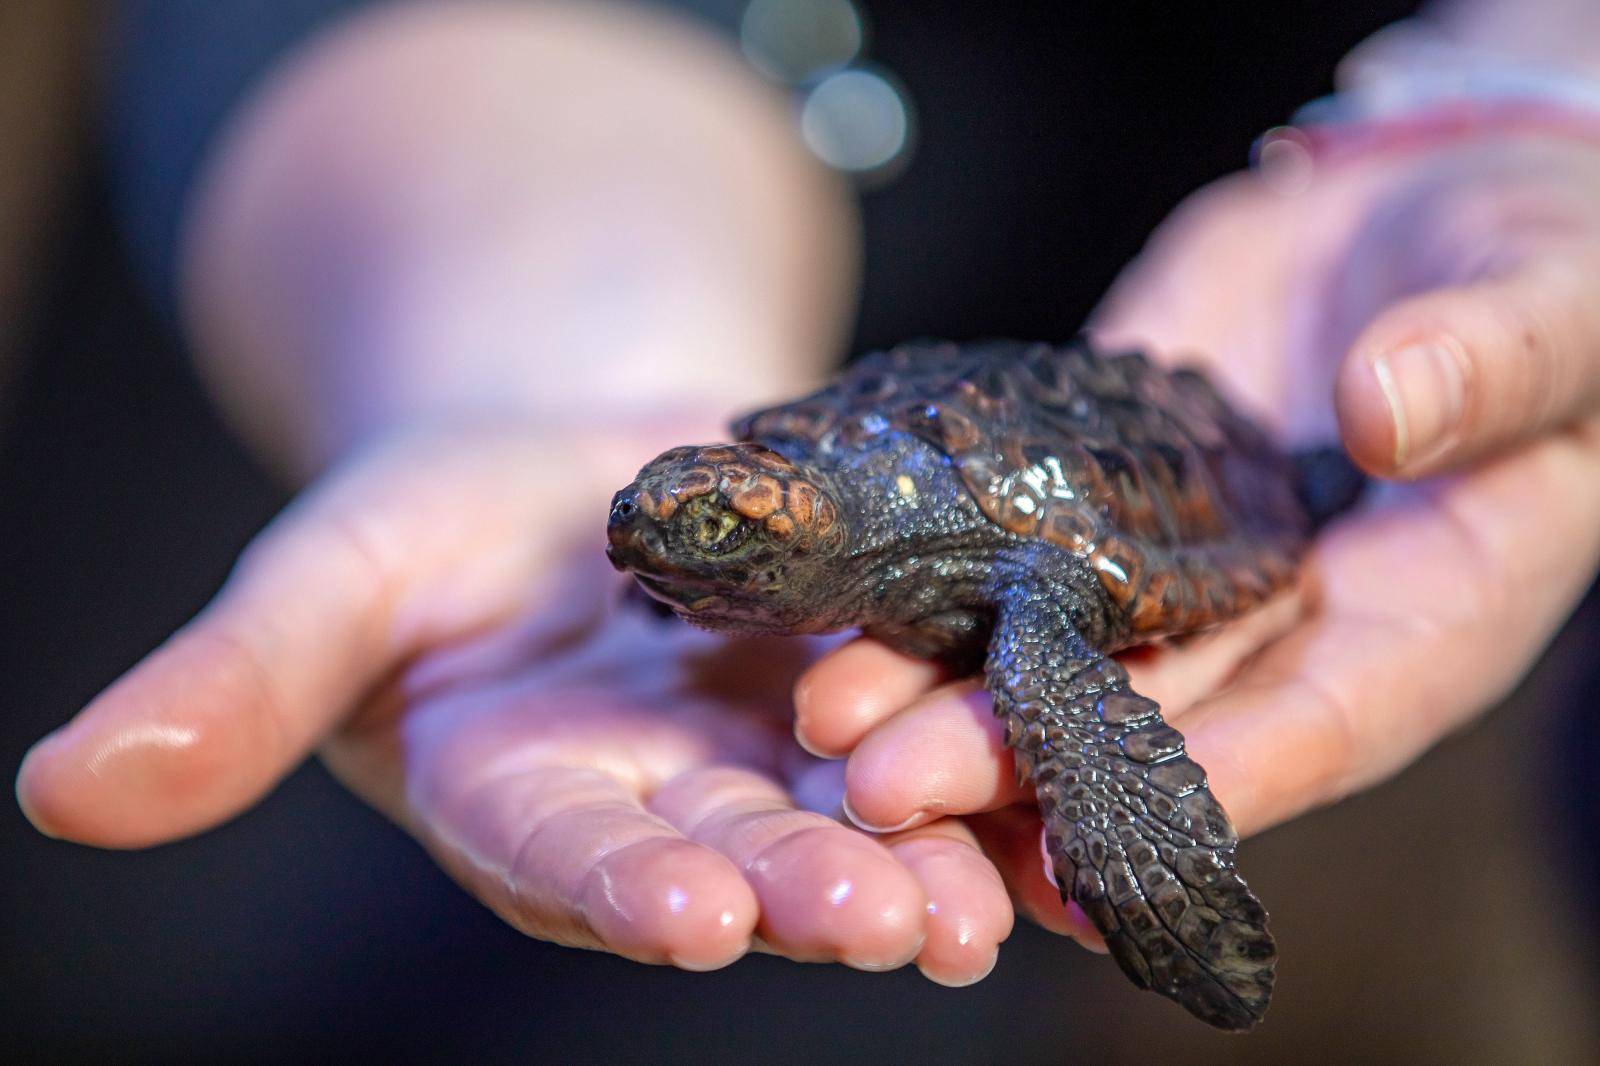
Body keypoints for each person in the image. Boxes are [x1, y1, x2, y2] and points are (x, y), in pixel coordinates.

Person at [15, 0, 1600, 989]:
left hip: (1163, 424)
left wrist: (1548, 75)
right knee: (149, 940)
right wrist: (541, 362)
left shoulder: (1018, 580)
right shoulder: (789, 462)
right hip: (655, 118)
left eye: (702, 538)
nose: (660, 540)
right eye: (663, 529)